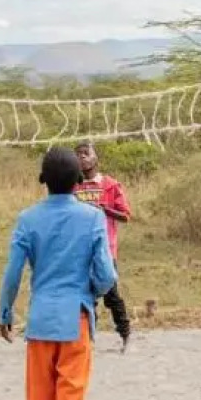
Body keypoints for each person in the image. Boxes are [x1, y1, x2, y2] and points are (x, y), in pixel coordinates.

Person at [0, 147, 118, 400]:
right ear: (79, 183)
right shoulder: (93, 218)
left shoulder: (27, 219)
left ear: (43, 182)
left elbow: (12, 274)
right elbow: (107, 275)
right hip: (75, 319)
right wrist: (90, 291)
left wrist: (5, 312)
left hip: (39, 323)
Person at [73, 140, 132, 351]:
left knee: (111, 294)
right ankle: (88, 340)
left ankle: (125, 333)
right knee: (85, 296)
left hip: (105, 250)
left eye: (86, 153)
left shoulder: (109, 185)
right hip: (80, 250)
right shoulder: (73, 186)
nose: (82, 157)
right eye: (78, 154)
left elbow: (125, 216)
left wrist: (104, 209)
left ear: (96, 158)